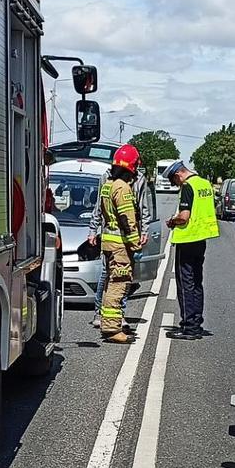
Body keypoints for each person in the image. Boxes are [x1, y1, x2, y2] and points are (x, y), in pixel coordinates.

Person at [97, 143, 146, 344]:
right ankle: (111, 329)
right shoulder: (123, 188)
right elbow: (128, 219)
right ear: (131, 168)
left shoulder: (108, 185)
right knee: (118, 286)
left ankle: (108, 323)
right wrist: (136, 244)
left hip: (108, 243)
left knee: (110, 284)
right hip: (120, 247)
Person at [164, 159, 219, 339]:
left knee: (185, 283)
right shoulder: (204, 184)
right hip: (201, 239)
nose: (175, 184)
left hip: (187, 239)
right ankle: (196, 322)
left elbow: (185, 216)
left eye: (174, 181)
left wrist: (173, 221)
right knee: (196, 282)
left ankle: (188, 327)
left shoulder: (188, 186)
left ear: (178, 174)